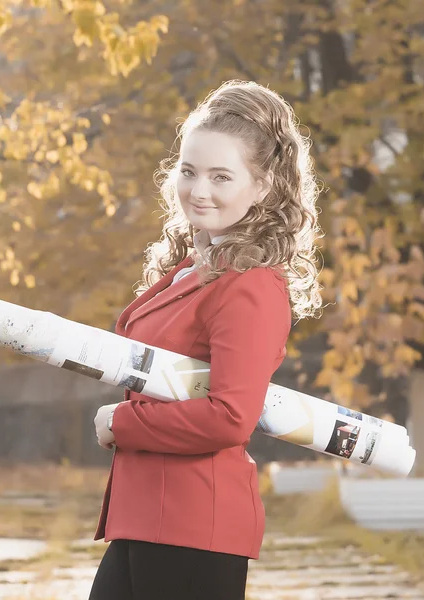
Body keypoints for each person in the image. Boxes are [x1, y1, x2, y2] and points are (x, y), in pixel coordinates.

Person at [89, 80, 322, 600]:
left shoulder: (253, 286)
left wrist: (120, 422)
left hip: (193, 526)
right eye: (189, 171)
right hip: (149, 518)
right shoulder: (193, 267)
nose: (199, 190)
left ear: (263, 185)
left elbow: (230, 416)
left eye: (221, 176)